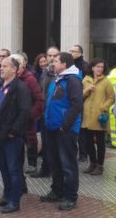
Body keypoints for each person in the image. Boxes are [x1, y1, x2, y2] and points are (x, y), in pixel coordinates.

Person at [39, 52, 83, 211]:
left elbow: (77, 105)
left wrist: (65, 126)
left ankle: (71, 197)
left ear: (64, 64)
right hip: (51, 128)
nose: (52, 63)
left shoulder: (73, 81)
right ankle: (57, 191)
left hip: (65, 130)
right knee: (54, 162)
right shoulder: (57, 79)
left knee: (68, 164)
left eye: (56, 61)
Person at [0, 57, 31, 214]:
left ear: (14, 69)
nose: (1, 68)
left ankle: (15, 201)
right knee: (3, 167)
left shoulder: (20, 88)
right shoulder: (1, 86)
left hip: (12, 137)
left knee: (14, 169)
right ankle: (6, 196)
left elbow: (25, 112)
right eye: (1, 66)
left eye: (5, 66)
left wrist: (14, 131)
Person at [11, 53, 45, 177]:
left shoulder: (30, 79)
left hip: (27, 117)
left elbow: (39, 100)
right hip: (14, 119)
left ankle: (32, 163)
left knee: (30, 140)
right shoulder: (10, 79)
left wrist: (30, 115)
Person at [81, 58, 115, 176]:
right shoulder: (86, 80)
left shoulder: (106, 82)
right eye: (98, 66)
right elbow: (79, 95)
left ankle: (100, 165)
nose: (100, 69)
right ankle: (92, 163)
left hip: (100, 116)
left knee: (100, 142)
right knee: (88, 142)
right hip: (87, 116)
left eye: (102, 67)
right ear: (92, 67)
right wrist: (87, 90)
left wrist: (103, 107)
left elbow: (111, 97)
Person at [31, 46, 60, 178]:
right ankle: (45, 168)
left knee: (55, 145)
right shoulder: (44, 72)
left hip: (56, 115)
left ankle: (56, 170)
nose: (52, 58)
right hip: (44, 114)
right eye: (49, 55)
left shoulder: (60, 73)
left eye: (55, 55)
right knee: (45, 143)